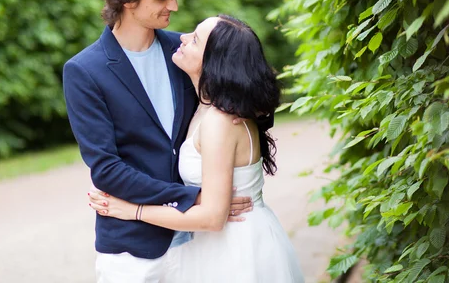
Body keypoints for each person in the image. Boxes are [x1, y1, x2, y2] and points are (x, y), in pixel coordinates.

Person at [62, 0, 253, 283]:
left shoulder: (185, 51)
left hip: (204, 243)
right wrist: (197, 198)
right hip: (132, 248)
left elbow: (229, 107)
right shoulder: (84, 71)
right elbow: (105, 169)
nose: (175, 6)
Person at [89, 15, 305, 282]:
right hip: (215, 244)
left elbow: (213, 217)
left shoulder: (219, 121)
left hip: (234, 248)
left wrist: (133, 210)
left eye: (194, 40)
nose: (181, 37)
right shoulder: (210, 108)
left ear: (214, 62)